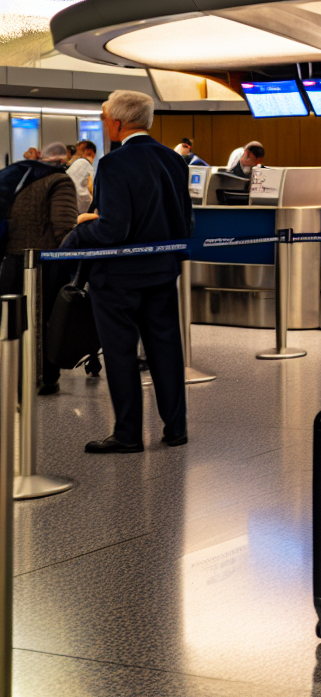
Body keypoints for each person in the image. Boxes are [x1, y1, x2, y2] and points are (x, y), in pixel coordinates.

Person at [66, 90, 194, 454]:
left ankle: (127, 434)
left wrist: (81, 225)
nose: (105, 122)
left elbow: (113, 231)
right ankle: (176, 428)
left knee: (121, 353)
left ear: (118, 122)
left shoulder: (112, 163)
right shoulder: (173, 159)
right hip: (162, 271)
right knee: (166, 350)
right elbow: (185, 221)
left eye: (105, 116)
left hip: (118, 278)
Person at [2, 143, 78, 395]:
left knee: (14, 319)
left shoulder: (20, 179)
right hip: (45, 262)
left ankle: (13, 372)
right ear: (62, 159)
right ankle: (46, 375)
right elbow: (63, 228)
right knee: (46, 320)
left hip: (13, 259)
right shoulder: (60, 181)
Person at [66, 139, 96, 214]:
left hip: (69, 205)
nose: (76, 154)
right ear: (91, 152)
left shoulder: (73, 166)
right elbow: (91, 187)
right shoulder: (85, 164)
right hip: (81, 208)